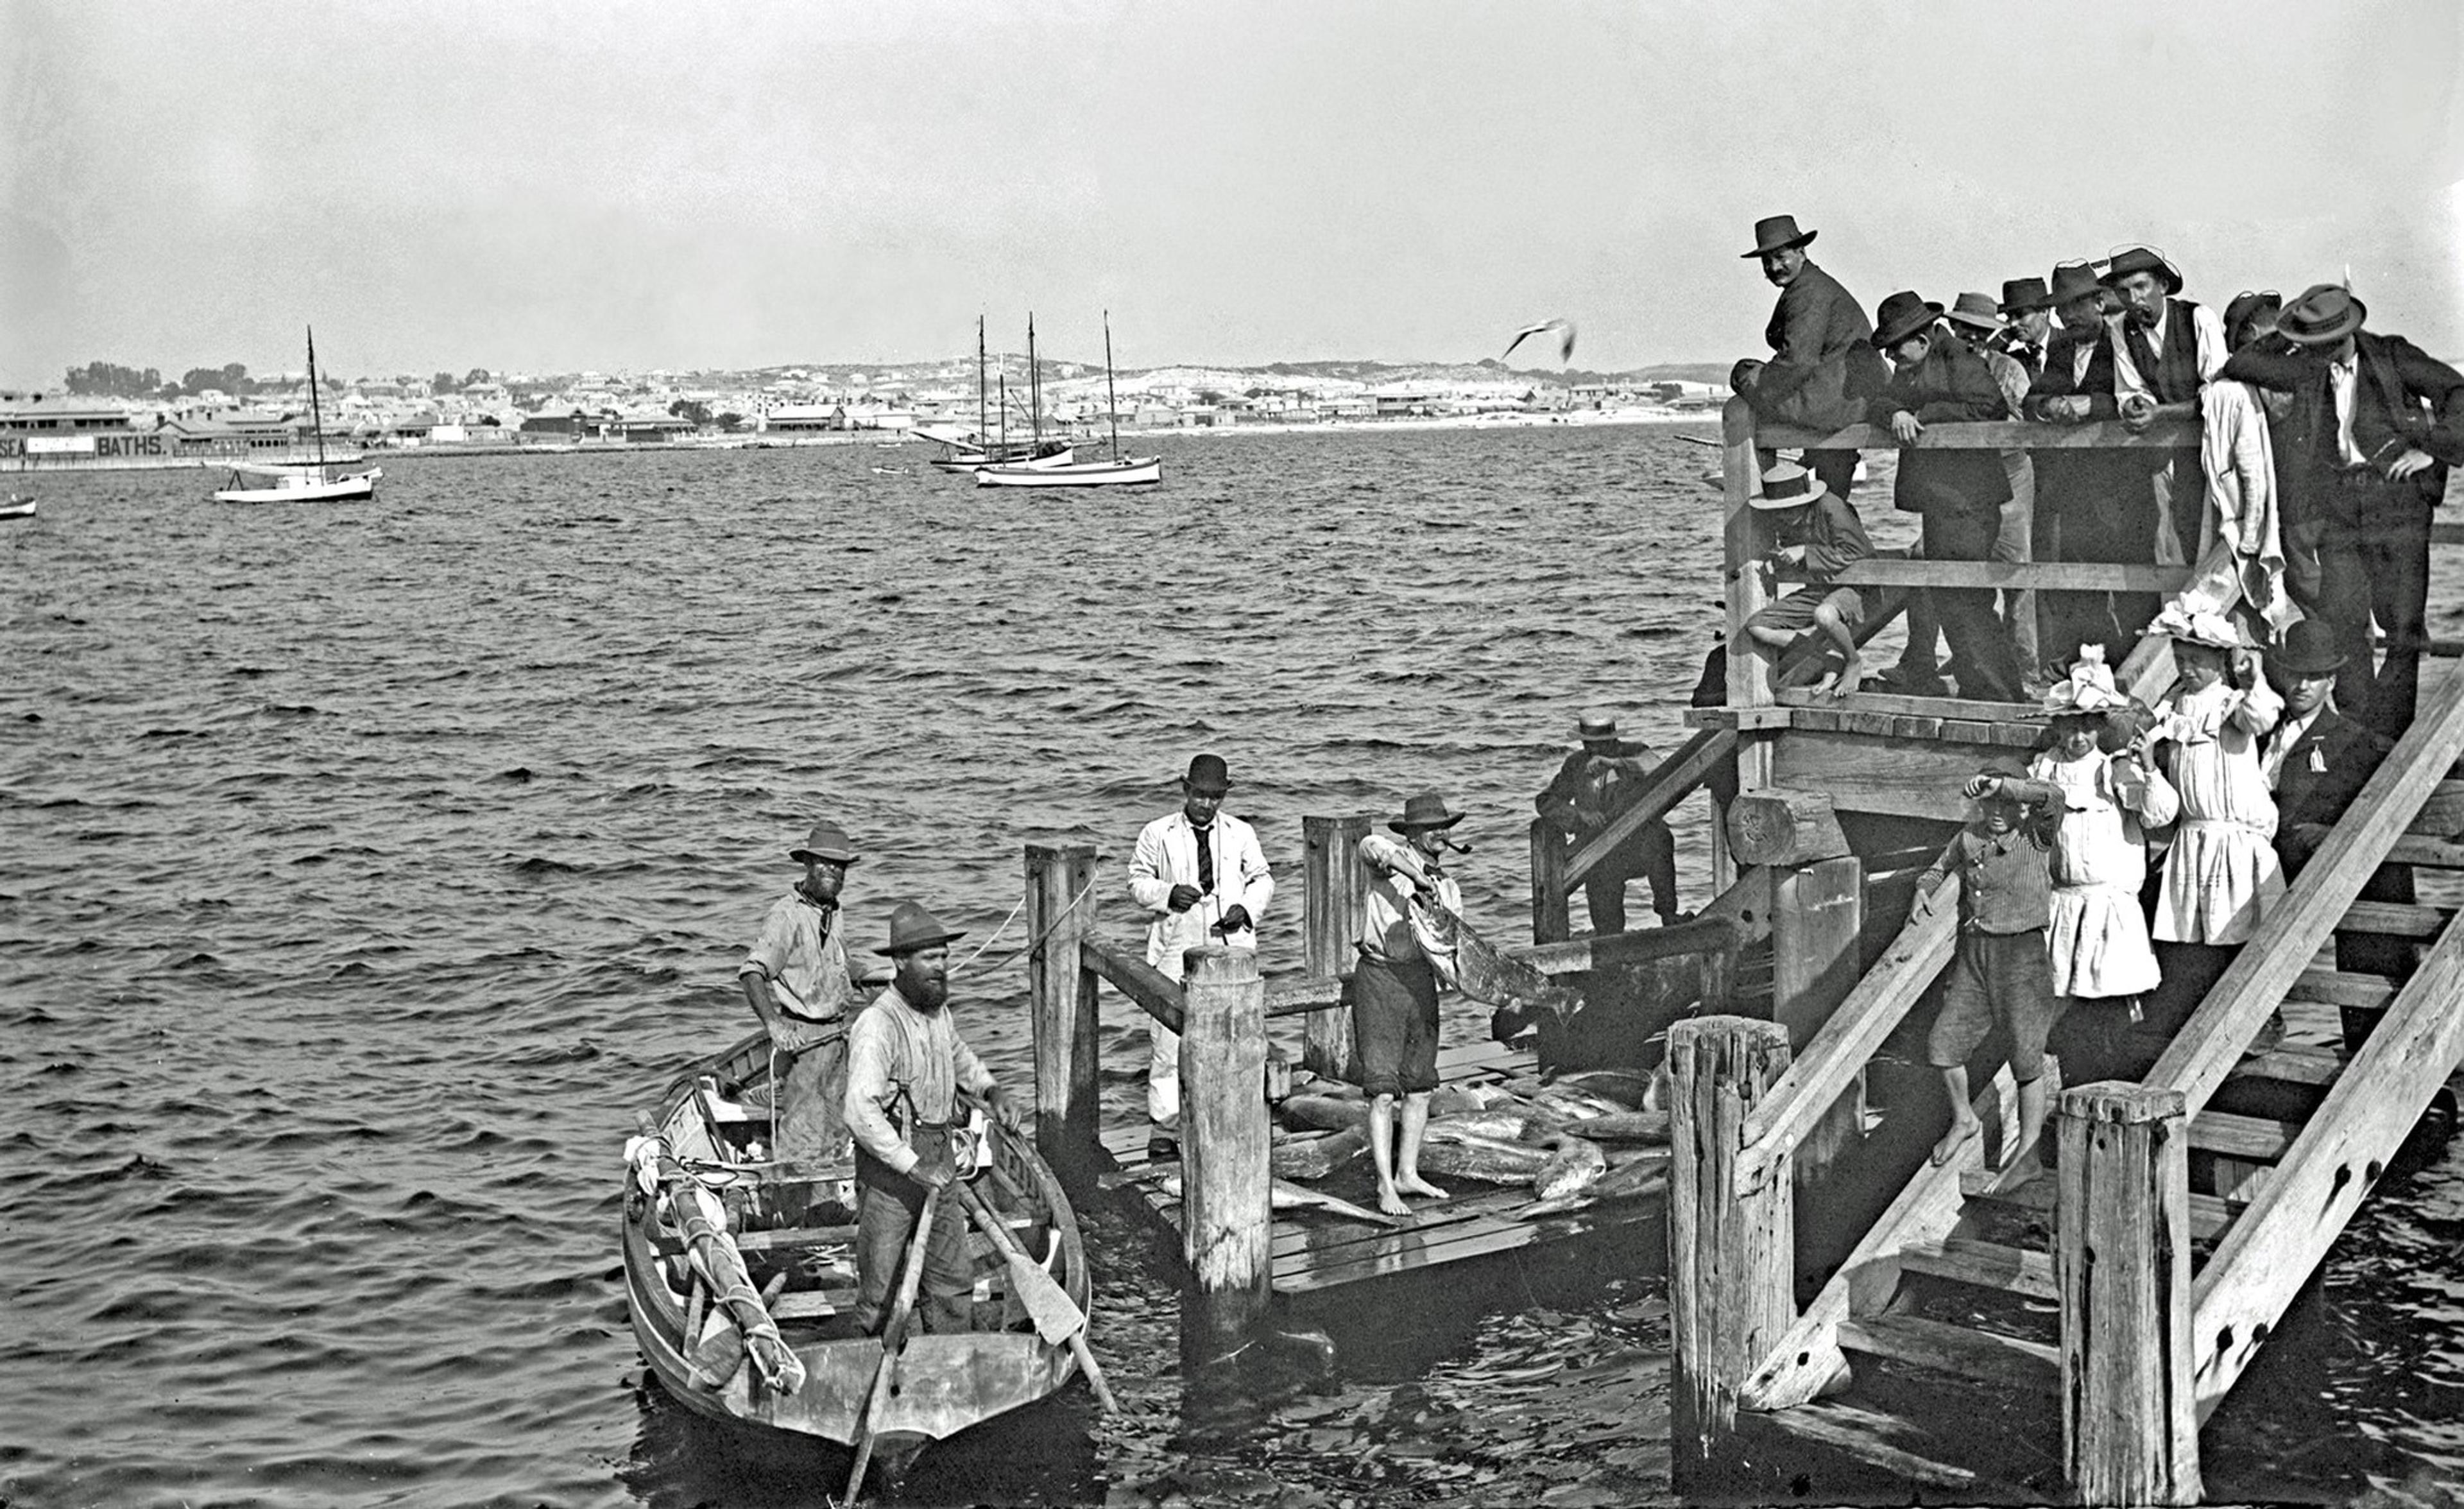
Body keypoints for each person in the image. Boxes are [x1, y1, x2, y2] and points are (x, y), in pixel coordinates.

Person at [2220, 282, 2464, 739]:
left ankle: (2390, 737)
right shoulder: (2307, 364)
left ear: (2346, 334)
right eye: (2310, 342)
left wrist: (2432, 449)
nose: (2316, 353)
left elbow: (2458, 392)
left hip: (2397, 505)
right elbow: (2240, 363)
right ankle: (2357, 734)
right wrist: (2289, 338)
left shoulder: (2391, 356)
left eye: (2324, 343)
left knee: (2403, 628)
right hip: (2340, 511)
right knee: (2342, 623)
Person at [843, 901, 1025, 1334]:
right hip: (891, 1170)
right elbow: (859, 1111)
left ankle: (951, 1355)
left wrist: (990, 1089)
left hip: (940, 1160)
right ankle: (872, 1356)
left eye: (944, 956)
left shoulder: (936, 1011)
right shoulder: (878, 1024)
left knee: (952, 1279)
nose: (941, 966)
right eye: (929, 958)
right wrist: (912, 1165)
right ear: (900, 962)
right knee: (881, 1288)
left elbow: (957, 1055)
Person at [2032, 649, 2178, 1090]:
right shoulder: (2045, 767)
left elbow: (2159, 814)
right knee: (2065, 1009)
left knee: (2111, 1009)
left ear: (2100, 726)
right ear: (2058, 726)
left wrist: (2147, 768)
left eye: (2088, 726)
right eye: (2070, 726)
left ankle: (2114, 1091)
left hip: (2108, 908)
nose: (2078, 736)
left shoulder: (2114, 769)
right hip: (2064, 905)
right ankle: (2072, 1089)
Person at [1866, 289, 2021, 702]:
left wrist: (1923, 416)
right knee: (1950, 597)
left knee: (1967, 599)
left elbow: (1990, 406)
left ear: (1921, 339)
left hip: (1969, 501)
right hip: (1942, 502)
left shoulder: (1956, 356)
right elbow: (1880, 402)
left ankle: (2001, 696)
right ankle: (1981, 689)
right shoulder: (1912, 367)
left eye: (1895, 348)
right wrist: (1896, 413)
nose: (1891, 357)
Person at [1910, 768, 2064, 1169]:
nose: (1997, 812)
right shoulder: (1970, 837)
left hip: (2022, 956)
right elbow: (1938, 867)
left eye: (2006, 804)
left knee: (2026, 1058)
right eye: (1990, 803)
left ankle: (2028, 1157)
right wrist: (1922, 890)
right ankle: (1964, 1118)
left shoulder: (2036, 836)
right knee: (1943, 1045)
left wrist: (2004, 786)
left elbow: (2054, 797)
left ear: (2021, 807)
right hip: (1976, 957)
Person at [2141, 607, 2284, 1034]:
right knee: (2190, 937)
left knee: (2234, 931)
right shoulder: (2172, 708)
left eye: (2197, 660)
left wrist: (2252, 681)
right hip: (2192, 838)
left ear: (2219, 661)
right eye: (2180, 659)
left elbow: (2262, 717)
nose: (2187, 668)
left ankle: (2254, 1024)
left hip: (2232, 839)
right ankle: (2196, 1027)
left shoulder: (2230, 703)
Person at [1127, 752, 1274, 1157]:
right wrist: (1168, 893)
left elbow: (1262, 878)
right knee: (1168, 1039)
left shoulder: (1241, 832)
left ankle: (1229, 1116)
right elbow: (1137, 882)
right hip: (1176, 942)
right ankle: (1166, 1126)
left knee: (1235, 1034)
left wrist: (1246, 908)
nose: (1207, 804)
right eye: (1200, 795)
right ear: (1185, 790)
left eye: (1215, 797)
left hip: (1230, 944)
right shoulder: (1158, 833)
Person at [738, 818, 871, 1218]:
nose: (832, 871)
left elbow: (836, 966)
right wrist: (775, 1026)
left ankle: (824, 1212)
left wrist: (882, 976)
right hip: (805, 1042)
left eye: (839, 866)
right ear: (808, 865)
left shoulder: (832, 911)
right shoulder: (787, 916)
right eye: (824, 863)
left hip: (838, 1038)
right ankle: (792, 1222)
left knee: (836, 1130)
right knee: (802, 1139)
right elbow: (752, 973)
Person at [1355, 792, 1467, 1216]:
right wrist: (1417, 877)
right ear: (1412, 834)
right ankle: (1385, 1185)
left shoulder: (1450, 887)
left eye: (1444, 827)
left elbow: (1453, 943)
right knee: (1382, 1092)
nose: (1440, 834)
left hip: (1421, 981)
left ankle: (1408, 1173)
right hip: (1380, 978)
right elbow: (1370, 845)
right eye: (1430, 828)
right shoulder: (1388, 863)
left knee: (1420, 1087)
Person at [1734, 214, 1887, 500]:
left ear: (1801, 252)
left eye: (1781, 257)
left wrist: (1757, 390)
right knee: (1832, 497)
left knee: (1742, 373)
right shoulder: (1811, 284)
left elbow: (1797, 363)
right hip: (1847, 400)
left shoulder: (1808, 292)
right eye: (1766, 261)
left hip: (1834, 405)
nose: (1773, 267)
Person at [1946, 291, 2044, 691]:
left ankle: (2026, 672)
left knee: (2017, 572)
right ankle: (1956, 665)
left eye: (1979, 331)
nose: (1970, 337)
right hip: (1962, 482)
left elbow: (2022, 422)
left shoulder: (2008, 369)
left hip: (2010, 474)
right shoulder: (1944, 368)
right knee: (1936, 567)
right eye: (1964, 329)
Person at [1534, 710, 1681, 934]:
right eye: (1588, 744)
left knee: (1660, 836)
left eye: (1601, 743)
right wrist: (1579, 814)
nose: (1594, 749)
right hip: (1598, 853)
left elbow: (1660, 769)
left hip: (1638, 845)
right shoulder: (1575, 764)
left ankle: (1669, 916)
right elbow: (1546, 800)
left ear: (1613, 739)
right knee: (1607, 925)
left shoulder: (1635, 752)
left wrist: (1616, 763)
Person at [1736, 460, 1873, 696]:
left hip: (1856, 588)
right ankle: (1830, 659)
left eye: (1789, 508)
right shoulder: (1785, 520)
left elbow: (1859, 551)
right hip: (1820, 590)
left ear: (1805, 501)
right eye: (1778, 509)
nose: (1783, 515)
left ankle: (1853, 661)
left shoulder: (1831, 506)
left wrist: (1805, 552)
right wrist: (1780, 560)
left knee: (1824, 616)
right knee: (1758, 627)